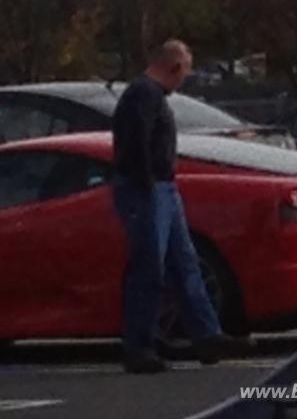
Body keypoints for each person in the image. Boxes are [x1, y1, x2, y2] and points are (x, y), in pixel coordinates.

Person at [112, 40, 247, 374]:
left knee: (184, 263)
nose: (183, 80)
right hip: (149, 189)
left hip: (161, 188)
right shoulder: (145, 95)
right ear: (174, 68)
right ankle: (139, 346)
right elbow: (135, 143)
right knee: (150, 268)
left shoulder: (146, 95)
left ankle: (207, 335)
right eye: (184, 71)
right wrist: (146, 182)